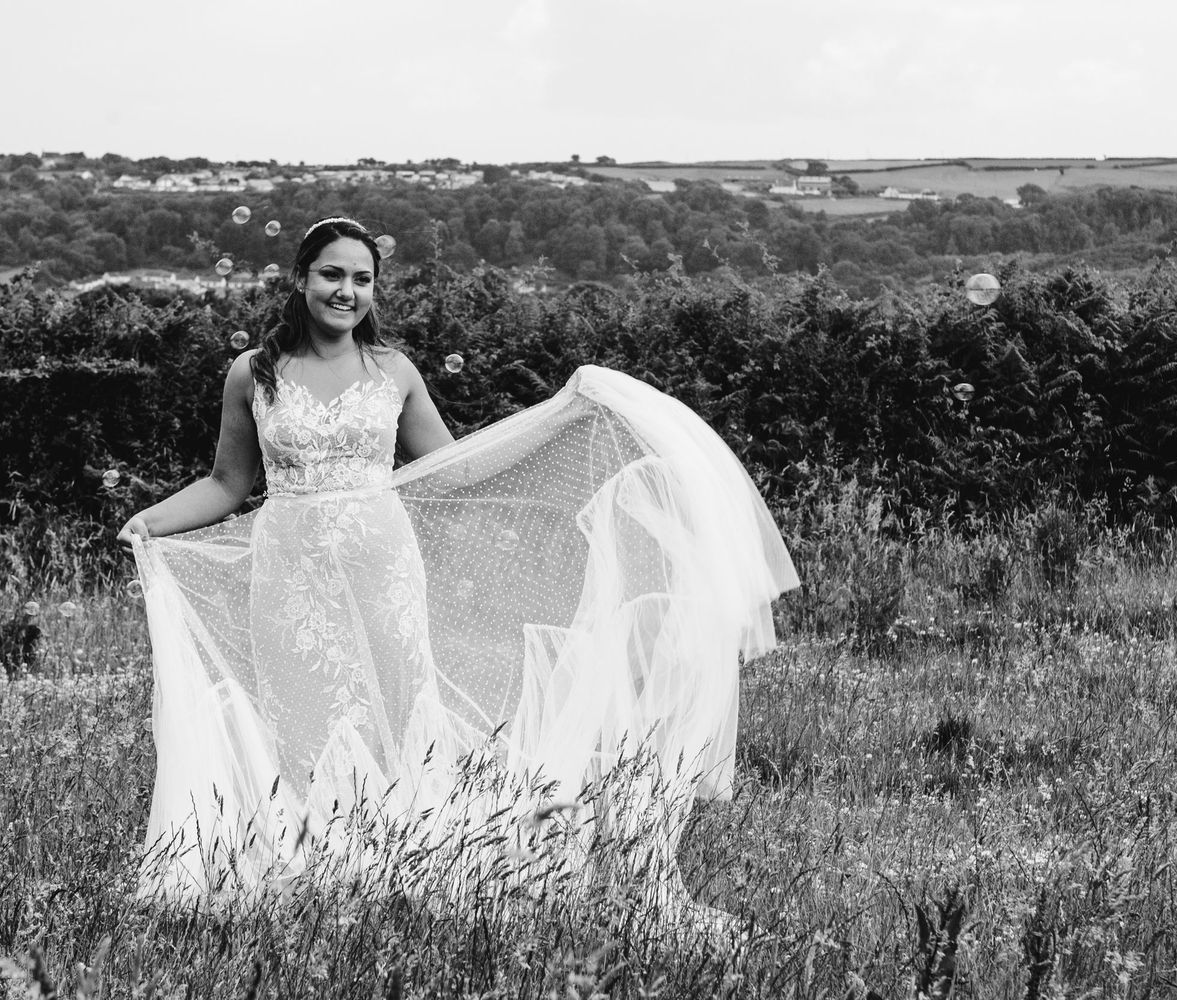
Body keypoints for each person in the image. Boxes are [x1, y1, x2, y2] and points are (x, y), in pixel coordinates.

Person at [119, 216, 799, 909]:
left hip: (382, 568)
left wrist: (562, 419)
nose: (346, 291)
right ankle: (308, 868)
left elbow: (454, 469)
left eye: (362, 279)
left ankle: (389, 861)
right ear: (301, 278)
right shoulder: (254, 372)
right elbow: (227, 483)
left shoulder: (393, 371)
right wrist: (150, 521)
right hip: (291, 575)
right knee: (299, 718)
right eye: (331, 274)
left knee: (394, 714)